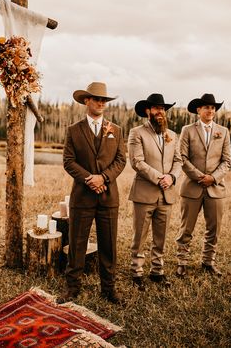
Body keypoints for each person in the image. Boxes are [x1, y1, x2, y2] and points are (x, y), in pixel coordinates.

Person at [58, 82, 126, 304]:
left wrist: (103, 178)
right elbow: (68, 161)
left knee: (109, 245)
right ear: (86, 101)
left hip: (108, 196)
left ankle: (109, 289)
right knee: (77, 243)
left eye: (104, 100)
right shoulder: (73, 130)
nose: (100, 103)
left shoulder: (116, 130)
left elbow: (120, 160)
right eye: (96, 99)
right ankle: (72, 288)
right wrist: (90, 179)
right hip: (82, 196)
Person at [128, 93, 182, 290]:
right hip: (144, 193)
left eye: (163, 108)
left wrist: (172, 177)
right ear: (147, 111)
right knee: (139, 235)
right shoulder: (137, 132)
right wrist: (160, 177)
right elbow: (137, 162)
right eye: (157, 108)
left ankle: (157, 272)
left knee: (161, 235)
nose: (161, 112)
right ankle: (137, 272)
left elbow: (178, 161)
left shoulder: (172, 135)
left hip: (167, 194)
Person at [176, 93, 231, 277]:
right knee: (186, 228)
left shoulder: (223, 131)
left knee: (213, 229)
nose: (210, 110)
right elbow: (182, 158)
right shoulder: (187, 130)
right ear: (198, 110)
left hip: (215, 189)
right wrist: (200, 176)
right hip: (192, 187)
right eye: (206, 107)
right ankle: (182, 262)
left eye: (213, 107)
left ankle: (208, 262)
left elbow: (227, 160)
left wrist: (213, 178)